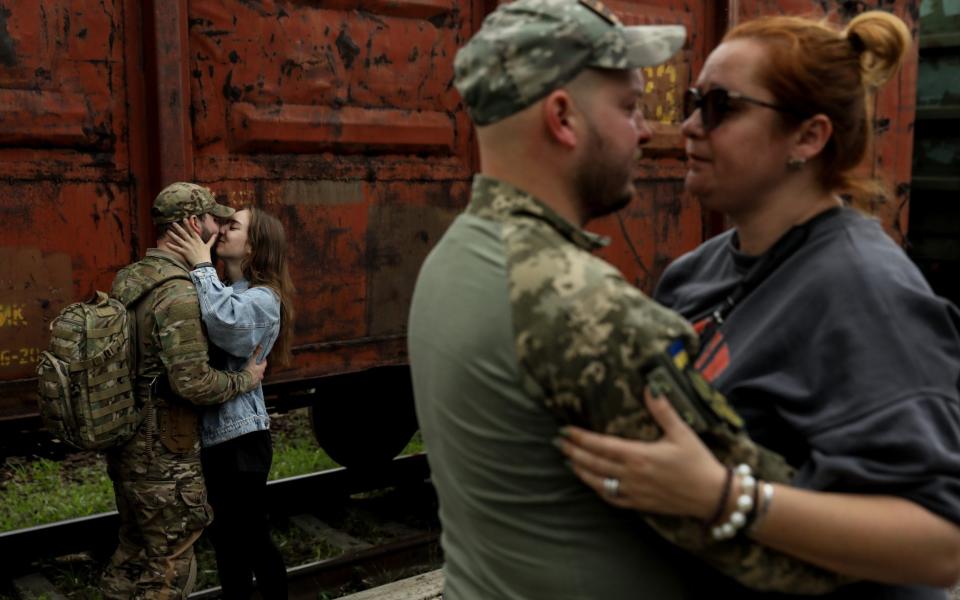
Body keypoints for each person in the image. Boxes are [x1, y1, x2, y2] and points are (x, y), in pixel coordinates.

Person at [559, 11, 960, 599]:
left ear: (808, 137)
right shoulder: (696, 272)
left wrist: (722, 496)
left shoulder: (865, 293)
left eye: (722, 107)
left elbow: (941, 543)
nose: (690, 125)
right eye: (694, 101)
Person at [408, 0, 720, 597]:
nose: (648, 130)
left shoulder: (454, 257)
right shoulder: (583, 306)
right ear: (563, 118)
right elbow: (767, 548)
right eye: (629, 107)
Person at [102, 182, 268, 598]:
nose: (220, 227)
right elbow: (193, 382)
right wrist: (245, 379)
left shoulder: (131, 278)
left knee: (131, 553)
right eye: (214, 219)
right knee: (169, 566)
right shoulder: (179, 294)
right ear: (195, 224)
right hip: (165, 454)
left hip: (125, 441)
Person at [166, 206, 295, 599]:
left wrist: (201, 265)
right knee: (227, 545)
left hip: (242, 440)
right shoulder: (224, 290)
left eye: (233, 226)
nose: (222, 230)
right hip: (216, 440)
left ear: (254, 246)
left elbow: (227, 327)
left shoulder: (264, 299)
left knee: (252, 538)